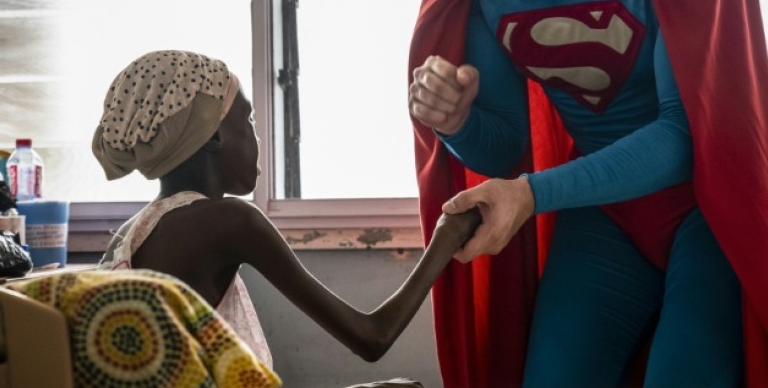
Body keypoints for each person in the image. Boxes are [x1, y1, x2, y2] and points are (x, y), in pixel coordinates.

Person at [407, 0, 768, 388]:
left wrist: (530, 195)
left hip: (716, 206)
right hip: (603, 214)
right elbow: (505, 151)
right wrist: (456, 124)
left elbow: (688, 135)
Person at [93, 49, 481, 373]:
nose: (256, 136)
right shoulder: (229, 220)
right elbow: (372, 337)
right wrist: (446, 237)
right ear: (213, 134)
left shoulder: (129, 236)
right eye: (247, 119)